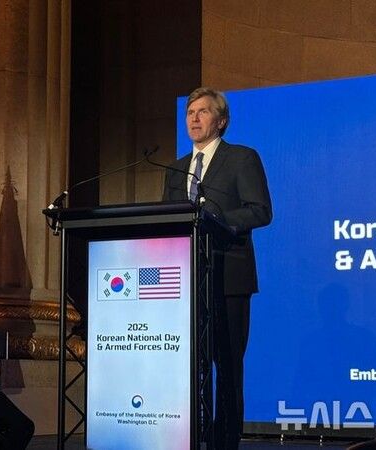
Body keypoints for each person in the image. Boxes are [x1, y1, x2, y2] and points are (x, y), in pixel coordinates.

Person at [163, 87, 272, 438]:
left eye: (203, 112)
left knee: (227, 366)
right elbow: (168, 220)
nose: (194, 119)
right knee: (190, 365)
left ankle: (225, 441)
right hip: (186, 282)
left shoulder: (241, 158)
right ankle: (192, 437)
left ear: (221, 120)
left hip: (228, 279)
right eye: (190, 112)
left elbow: (260, 211)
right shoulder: (175, 169)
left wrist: (217, 219)